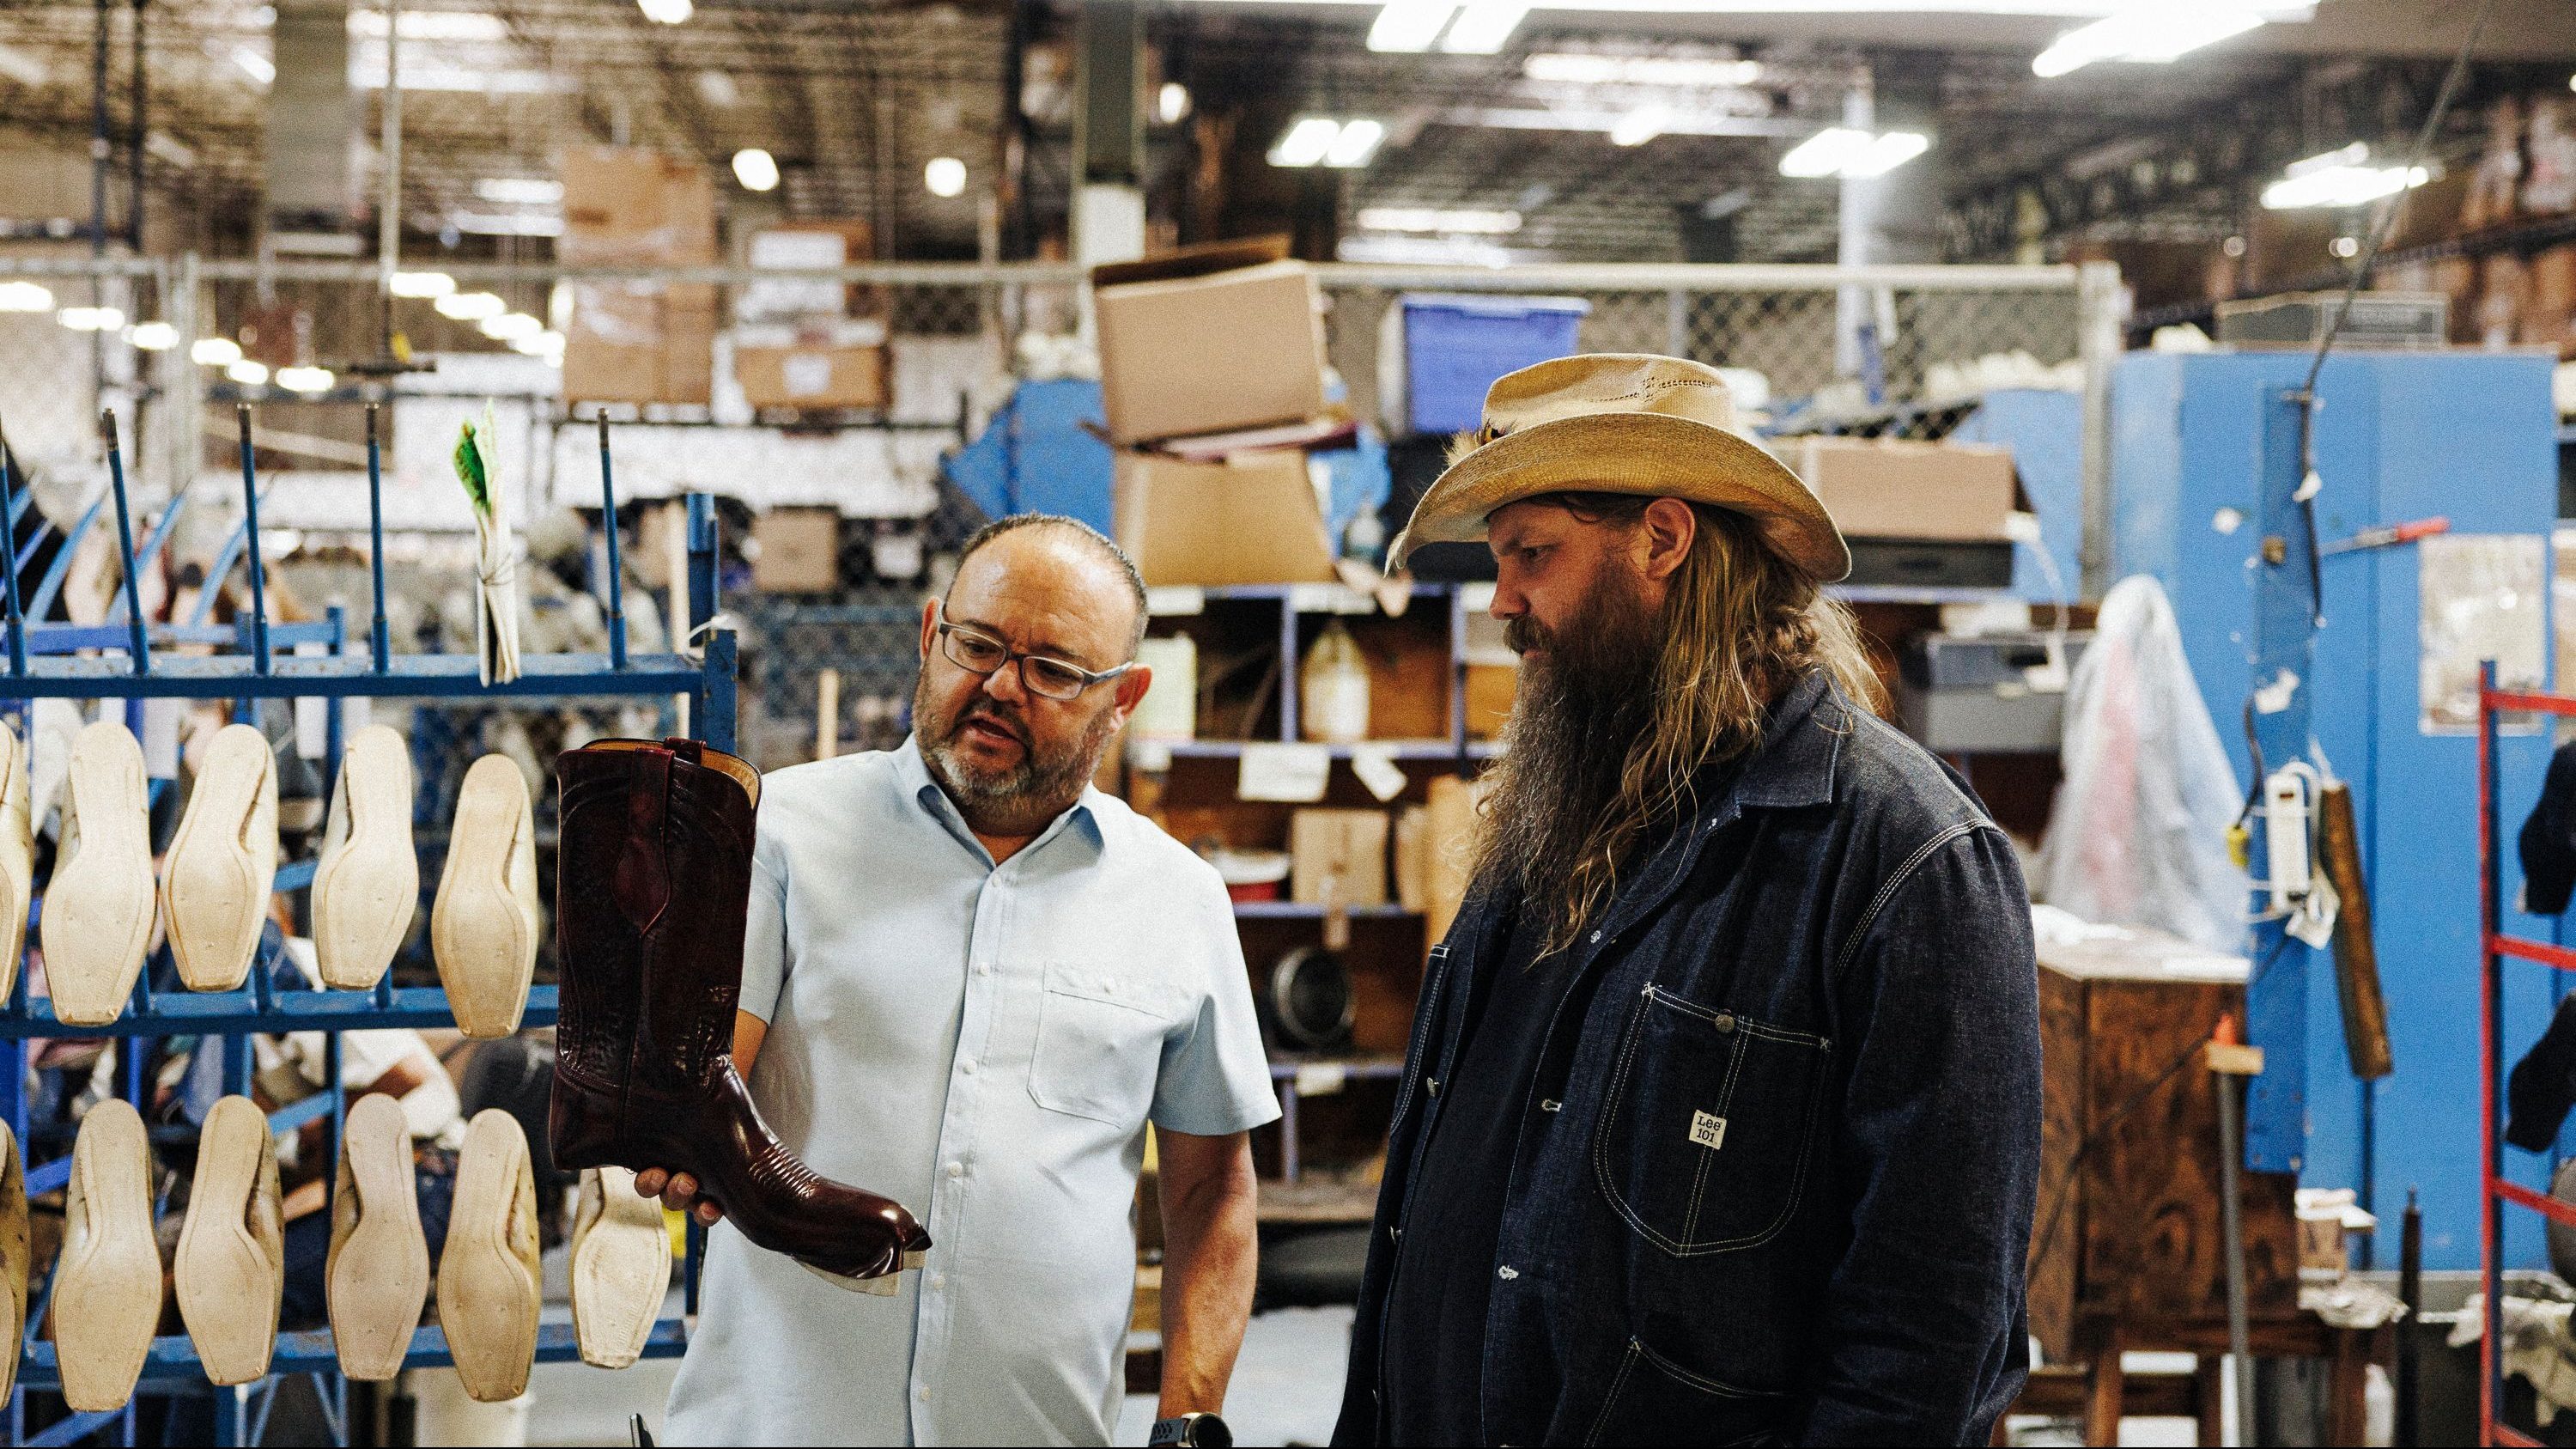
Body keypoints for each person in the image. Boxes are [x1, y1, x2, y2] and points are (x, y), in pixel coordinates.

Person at [1332, 355, 2041, 1446]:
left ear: (1663, 539)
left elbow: (1929, 1329)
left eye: (1532, 554)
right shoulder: (1555, 808)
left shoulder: (1901, 856)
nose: (1504, 601)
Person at [652, 514, 1278, 1446]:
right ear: (930, 630)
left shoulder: (1178, 899)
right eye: (976, 644)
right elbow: (706, 1081)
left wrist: (1189, 1422)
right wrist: (686, 1137)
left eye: (1053, 669)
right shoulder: (781, 829)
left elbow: (1211, 1191)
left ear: (1125, 697)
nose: (997, 686)